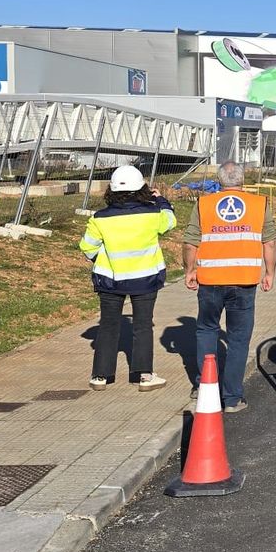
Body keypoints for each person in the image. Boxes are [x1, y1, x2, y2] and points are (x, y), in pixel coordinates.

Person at [182, 161, 276, 413]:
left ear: (219, 180)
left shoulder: (204, 204)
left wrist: (189, 270)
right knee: (238, 340)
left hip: (210, 281)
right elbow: (269, 242)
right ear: (243, 180)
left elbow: (191, 241)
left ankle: (204, 386)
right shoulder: (260, 204)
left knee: (206, 330)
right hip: (244, 281)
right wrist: (270, 273)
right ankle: (233, 398)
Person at [80, 165, 176, 391]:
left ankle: (100, 376)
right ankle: (144, 376)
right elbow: (170, 221)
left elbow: (87, 247)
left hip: (110, 279)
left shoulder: (100, 218)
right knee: (143, 325)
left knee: (108, 325)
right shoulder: (152, 214)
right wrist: (161, 201)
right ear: (142, 188)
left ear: (111, 190)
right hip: (145, 279)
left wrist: (100, 259)